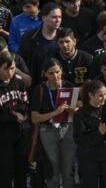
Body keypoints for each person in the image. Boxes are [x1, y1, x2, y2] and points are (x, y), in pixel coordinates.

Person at [30, 58, 78, 188]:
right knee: (52, 170)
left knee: (68, 170)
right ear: (44, 74)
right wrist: (54, 113)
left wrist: (68, 108)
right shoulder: (40, 90)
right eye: (51, 73)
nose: (55, 76)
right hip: (48, 131)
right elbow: (34, 117)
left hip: (67, 128)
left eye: (57, 72)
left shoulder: (70, 86)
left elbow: (79, 111)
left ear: (62, 71)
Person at [73, 80, 106, 188]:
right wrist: (99, 133)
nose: (104, 98)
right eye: (100, 95)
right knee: (90, 183)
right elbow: (79, 140)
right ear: (90, 95)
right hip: (88, 154)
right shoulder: (81, 114)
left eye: (105, 94)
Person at [0, 50, 30, 188]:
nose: (11, 72)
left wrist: (23, 113)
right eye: (7, 69)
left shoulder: (18, 82)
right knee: (6, 173)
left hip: (20, 134)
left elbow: (24, 102)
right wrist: (12, 117)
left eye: (12, 68)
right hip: (3, 137)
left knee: (21, 171)